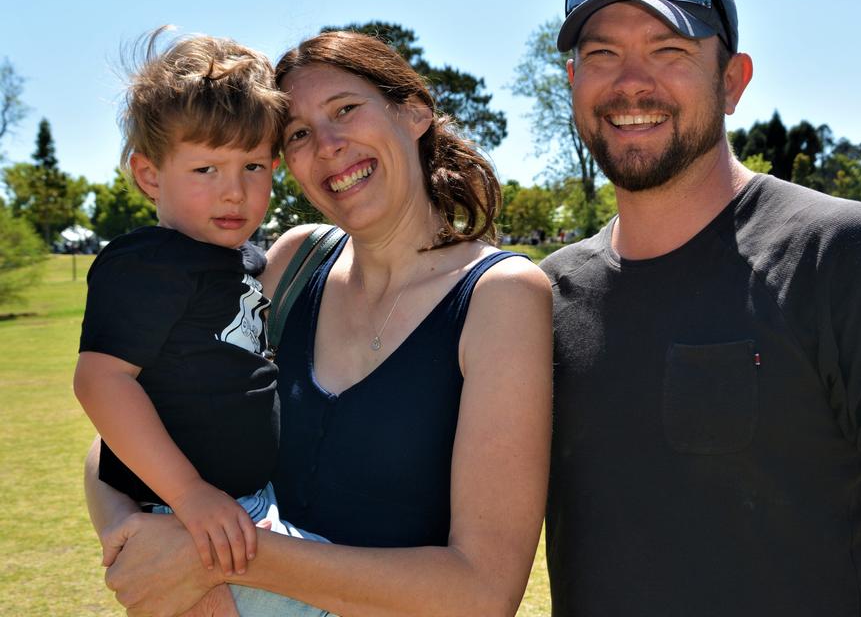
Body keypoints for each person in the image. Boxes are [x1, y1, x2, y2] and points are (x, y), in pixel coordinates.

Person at [541, 0, 861, 616]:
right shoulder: (542, 295)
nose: (630, 82)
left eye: (669, 51)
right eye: (602, 55)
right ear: (572, 81)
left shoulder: (846, 256)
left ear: (732, 81)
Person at [86, 30, 553, 616]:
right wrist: (133, 534)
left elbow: (482, 595)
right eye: (300, 134)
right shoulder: (289, 263)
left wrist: (213, 555)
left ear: (414, 112)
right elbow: (116, 439)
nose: (328, 144)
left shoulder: (498, 296)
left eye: (346, 110)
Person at [73, 31, 324, 583]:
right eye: (206, 170)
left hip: (248, 503)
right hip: (186, 512)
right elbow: (101, 381)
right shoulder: (149, 262)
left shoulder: (245, 262)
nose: (234, 192)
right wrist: (188, 494)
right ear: (149, 175)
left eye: (253, 167)